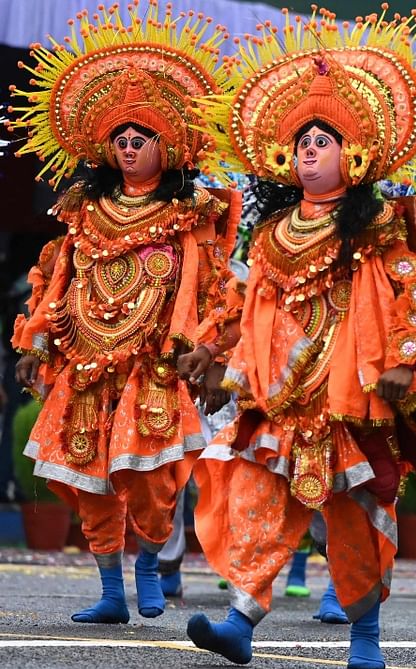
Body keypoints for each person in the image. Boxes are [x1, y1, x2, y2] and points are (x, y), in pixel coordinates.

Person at [182, 8, 416, 669]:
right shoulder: (271, 234)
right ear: (284, 156)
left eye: (324, 140)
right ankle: (239, 623)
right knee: (257, 502)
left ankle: (365, 640)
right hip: (282, 400)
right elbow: (246, 299)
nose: (311, 149)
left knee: (353, 519)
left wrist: (405, 359)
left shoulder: (379, 231)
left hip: (351, 397)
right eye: (303, 141)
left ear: (356, 154)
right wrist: (212, 345)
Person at [7, 1, 239, 624]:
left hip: (151, 364)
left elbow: (211, 288)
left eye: (143, 139)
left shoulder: (189, 215)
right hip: (84, 363)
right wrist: (37, 343)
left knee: (154, 478)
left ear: (169, 147)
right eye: (121, 139)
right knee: (88, 477)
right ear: (104, 147)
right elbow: (54, 279)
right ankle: (111, 590)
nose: (131, 147)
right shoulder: (83, 212)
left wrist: (207, 350)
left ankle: (148, 567)